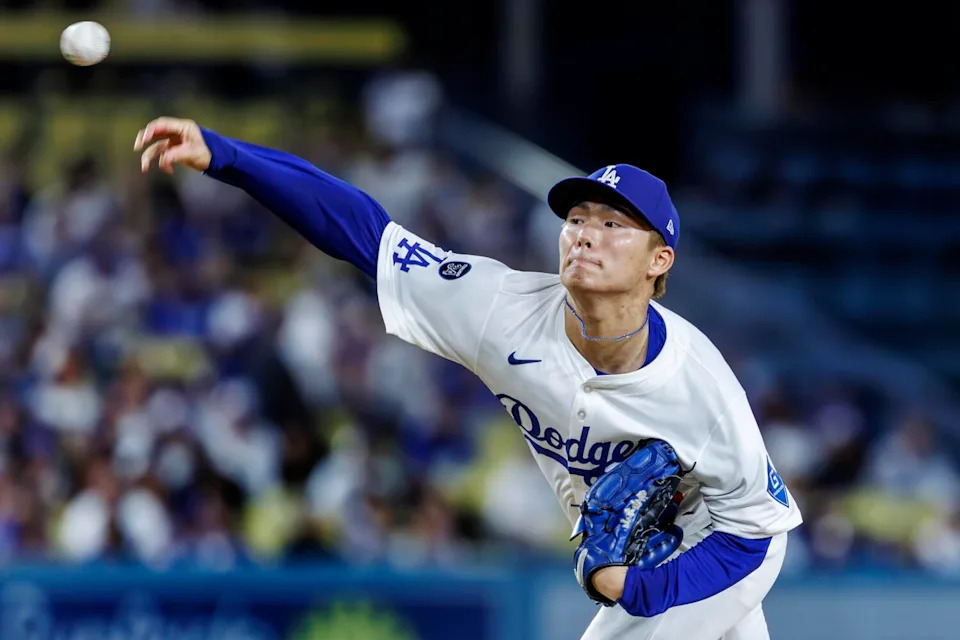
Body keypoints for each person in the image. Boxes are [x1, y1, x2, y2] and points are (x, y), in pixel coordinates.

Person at [134, 117, 803, 640]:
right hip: (635, 548)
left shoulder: (702, 387)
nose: (584, 234)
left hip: (715, 542)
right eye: (576, 219)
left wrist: (631, 587)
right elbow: (365, 234)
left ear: (660, 261)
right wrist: (225, 155)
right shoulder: (499, 311)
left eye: (612, 224)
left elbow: (753, 533)